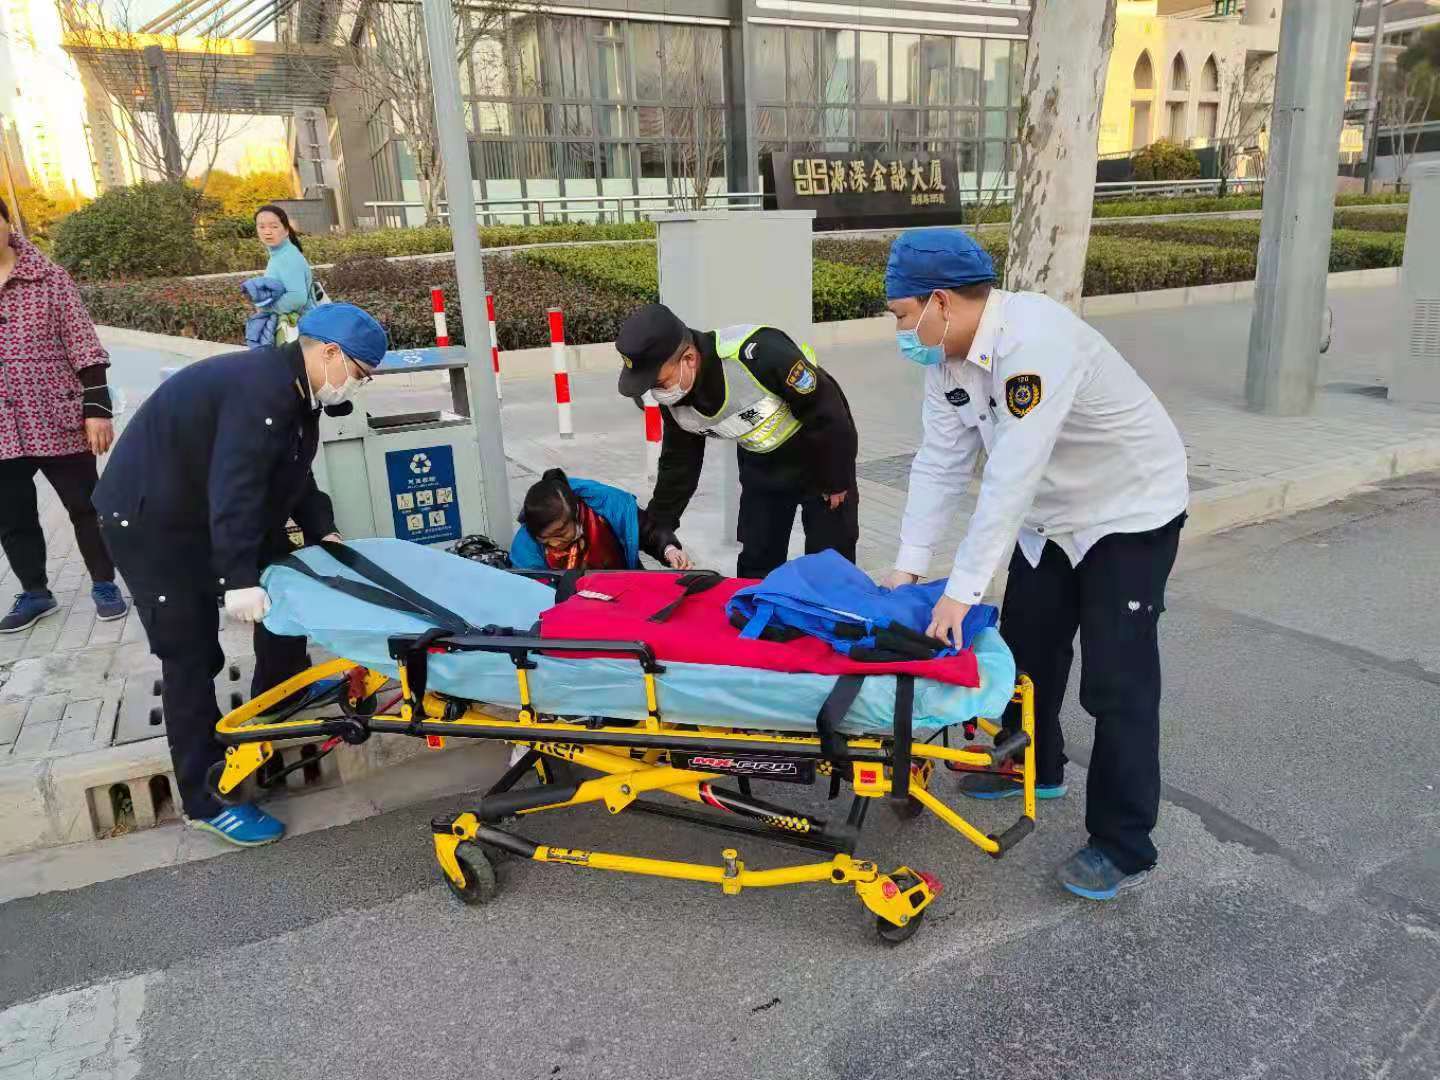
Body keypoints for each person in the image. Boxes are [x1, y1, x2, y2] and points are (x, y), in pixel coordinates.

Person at [881, 228, 1189, 902]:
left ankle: (1123, 843)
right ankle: (1034, 767)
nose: (901, 332)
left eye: (903, 315)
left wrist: (962, 591)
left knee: (1118, 681)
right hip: (1048, 518)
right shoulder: (947, 362)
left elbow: (1009, 478)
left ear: (939, 302)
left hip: (1126, 511)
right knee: (1026, 654)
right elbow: (940, 464)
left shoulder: (1035, 341)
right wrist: (907, 568)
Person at [93, 303, 388, 848]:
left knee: (288, 588)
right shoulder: (263, 392)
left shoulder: (297, 391)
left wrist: (323, 531)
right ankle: (207, 798)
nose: (358, 385)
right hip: (151, 520)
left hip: (205, 508)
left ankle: (277, 702)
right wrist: (237, 580)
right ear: (329, 353)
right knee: (190, 654)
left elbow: (291, 474)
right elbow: (236, 489)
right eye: (360, 373)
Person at [615, 303, 859, 580]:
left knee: (830, 561)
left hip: (819, 451)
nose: (657, 394)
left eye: (658, 383)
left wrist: (836, 479)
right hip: (762, 463)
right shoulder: (675, 400)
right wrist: (658, 528)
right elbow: (679, 464)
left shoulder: (758, 353)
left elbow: (826, 410)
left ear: (689, 359)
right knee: (757, 561)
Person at [0, 195, 128, 632]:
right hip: (3, 429)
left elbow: (85, 347)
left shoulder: (50, 279)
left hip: (57, 417)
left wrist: (97, 410)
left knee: (86, 507)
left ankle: (104, 583)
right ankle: (36, 592)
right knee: (12, 517)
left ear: (8, 223)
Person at [510, 468, 692, 572]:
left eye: (561, 533)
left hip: (624, 589)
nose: (555, 543)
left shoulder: (607, 505)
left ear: (575, 513)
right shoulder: (526, 545)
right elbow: (532, 590)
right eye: (546, 539)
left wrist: (670, 550)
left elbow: (648, 530)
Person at [253, 204, 314, 344]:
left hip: (299, 330)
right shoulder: (280, 254)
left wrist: (265, 308)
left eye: (274, 226)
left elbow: (297, 297)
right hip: (295, 328)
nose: (267, 232)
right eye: (261, 227)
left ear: (286, 230)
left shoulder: (288, 256)